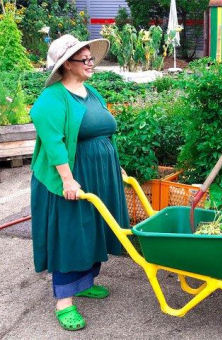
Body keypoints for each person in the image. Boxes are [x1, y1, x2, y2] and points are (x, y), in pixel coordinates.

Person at [30, 34, 129, 330]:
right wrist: (67, 180)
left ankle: (84, 283)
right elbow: (53, 142)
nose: (91, 63)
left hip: (99, 174)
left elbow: (104, 131)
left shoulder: (91, 91)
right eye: (84, 59)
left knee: (94, 231)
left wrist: (116, 166)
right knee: (70, 235)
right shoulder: (52, 98)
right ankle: (64, 302)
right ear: (67, 65)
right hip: (70, 177)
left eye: (91, 58)